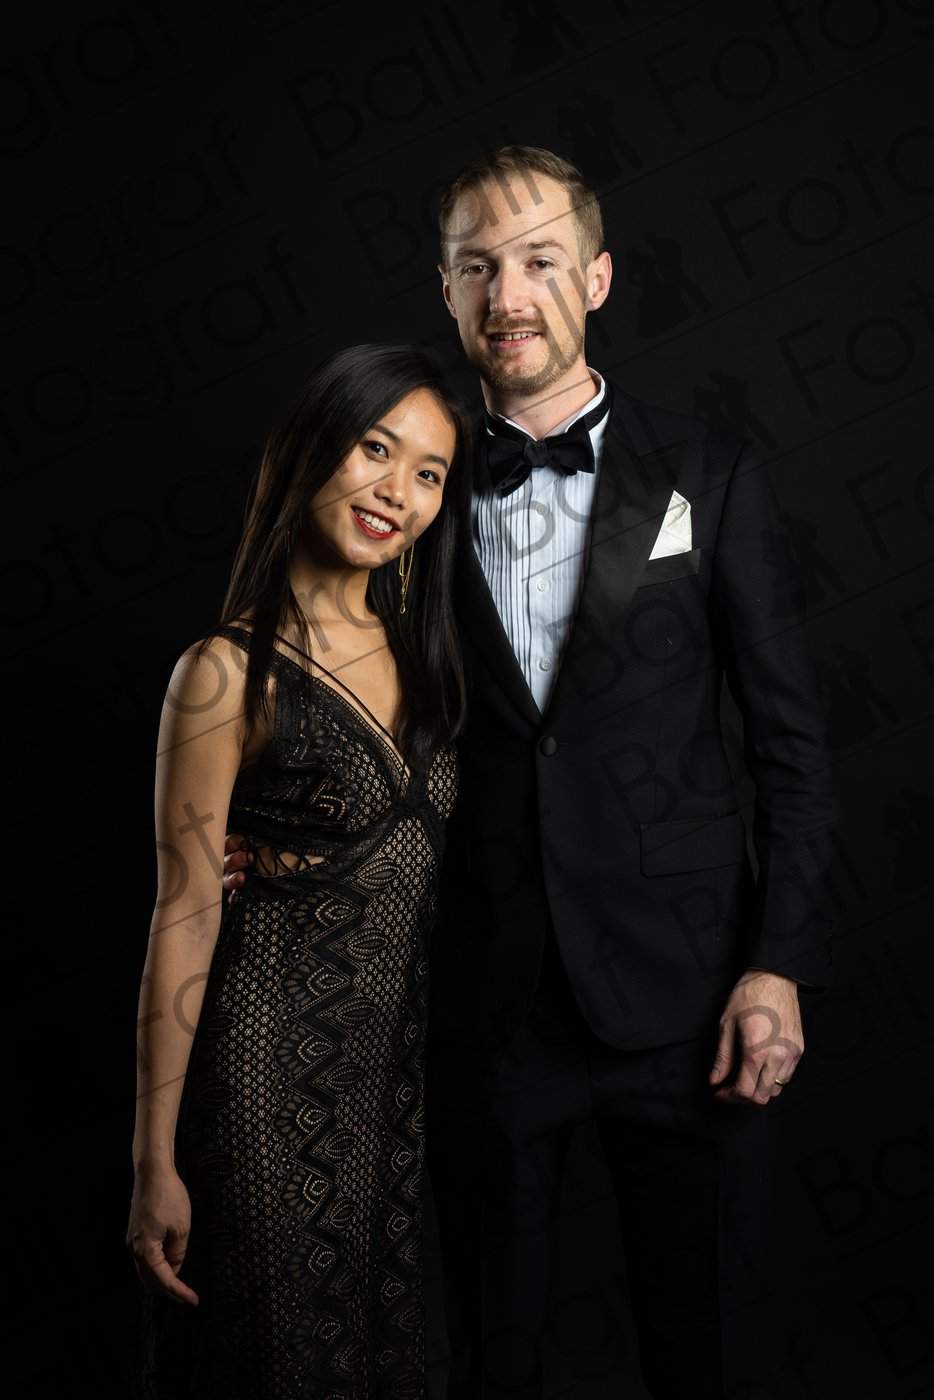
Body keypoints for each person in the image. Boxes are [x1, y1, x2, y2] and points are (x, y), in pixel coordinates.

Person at [222, 148, 836, 1399]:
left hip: (687, 997)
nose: (508, 295)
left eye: (540, 261)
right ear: (447, 293)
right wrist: (280, 833)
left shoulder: (709, 470)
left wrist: (777, 962)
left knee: (705, 1346)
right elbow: (327, 669)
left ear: (596, 278)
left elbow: (789, 742)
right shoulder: (412, 482)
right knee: (493, 1355)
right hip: (479, 999)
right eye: (478, 268)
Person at [127, 342, 473, 1400]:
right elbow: (184, 913)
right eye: (376, 448)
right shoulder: (224, 671)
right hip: (259, 1081)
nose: (397, 490)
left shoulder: (431, 657)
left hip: (391, 1101)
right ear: (314, 448)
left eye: (428, 472)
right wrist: (152, 1160)